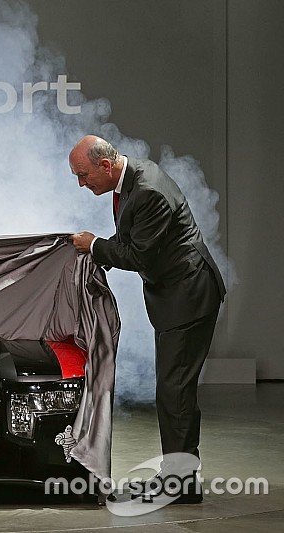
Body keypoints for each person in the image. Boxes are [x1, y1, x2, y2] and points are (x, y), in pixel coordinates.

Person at [69, 135, 226, 504]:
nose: (81, 183)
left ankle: (183, 483)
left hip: (188, 298)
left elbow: (140, 256)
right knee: (172, 391)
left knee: (175, 393)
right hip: (176, 298)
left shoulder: (149, 190)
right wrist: (99, 251)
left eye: (83, 175)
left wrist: (94, 246)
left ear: (105, 166)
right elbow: (132, 239)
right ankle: (178, 475)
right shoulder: (130, 180)